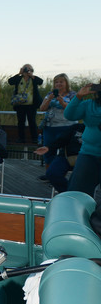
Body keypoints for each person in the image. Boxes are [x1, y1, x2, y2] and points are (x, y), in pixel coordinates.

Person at [64, 83, 101, 236]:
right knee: (77, 194)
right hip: (89, 155)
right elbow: (70, 115)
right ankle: (75, 230)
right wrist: (79, 96)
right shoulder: (88, 105)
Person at [38, 73, 77, 172]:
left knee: (67, 151)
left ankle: (61, 174)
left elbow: (73, 109)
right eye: (56, 82)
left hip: (68, 127)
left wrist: (62, 101)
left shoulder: (73, 95)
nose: (58, 84)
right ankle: (49, 174)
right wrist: (49, 99)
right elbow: (42, 108)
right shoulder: (49, 94)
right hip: (51, 127)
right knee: (48, 151)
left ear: (66, 83)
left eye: (61, 82)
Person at [33, 123, 84, 194]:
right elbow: (61, 140)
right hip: (67, 156)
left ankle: (79, 195)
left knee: (87, 177)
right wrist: (48, 147)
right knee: (52, 173)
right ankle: (69, 194)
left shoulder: (97, 129)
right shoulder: (76, 127)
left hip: (87, 158)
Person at [8, 64, 43, 143]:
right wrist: (19, 73)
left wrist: (32, 75)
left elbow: (41, 82)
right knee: (20, 122)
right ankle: (21, 138)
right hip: (20, 104)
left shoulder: (33, 79)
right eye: (25, 68)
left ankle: (34, 138)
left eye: (29, 69)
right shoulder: (19, 78)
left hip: (31, 104)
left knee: (32, 121)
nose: (27, 70)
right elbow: (10, 82)